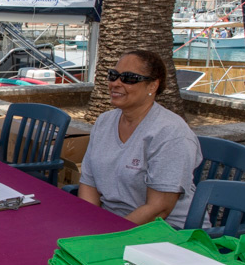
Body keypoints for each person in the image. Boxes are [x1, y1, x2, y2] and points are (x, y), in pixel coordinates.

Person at [78, 50, 204, 228]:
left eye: (129, 78)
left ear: (152, 86)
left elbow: (158, 209)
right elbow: (89, 184)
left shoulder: (170, 133)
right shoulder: (104, 122)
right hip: (111, 222)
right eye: (113, 75)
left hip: (165, 231)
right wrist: (89, 222)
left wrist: (109, 234)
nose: (116, 83)